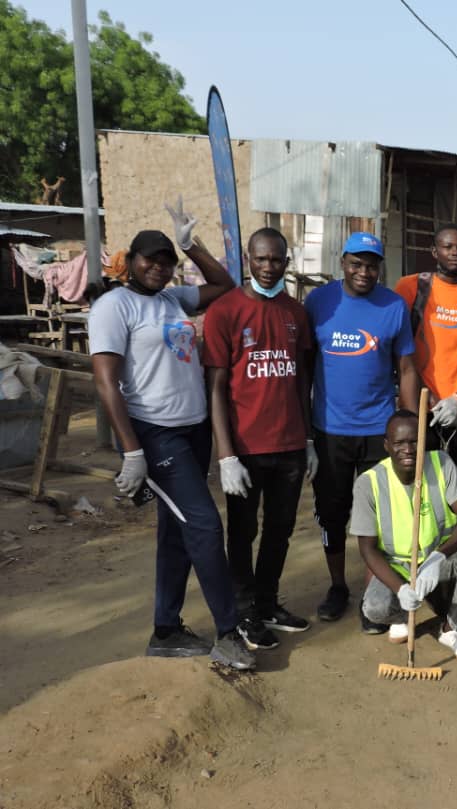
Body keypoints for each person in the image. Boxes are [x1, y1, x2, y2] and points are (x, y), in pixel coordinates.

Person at [88, 199, 253, 670]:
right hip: (155, 435)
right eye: (151, 260)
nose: (159, 268)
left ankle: (166, 629)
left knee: (178, 532)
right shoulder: (114, 306)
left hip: (193, 430)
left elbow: (223, 286)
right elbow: (106, 381)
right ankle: (228, 633)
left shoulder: (171, 300)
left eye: (166, 262)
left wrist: (191, 246)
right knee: (204, 524)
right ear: (131, 262)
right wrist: (133, 451)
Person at [202, 227, 315, 651]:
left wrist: (307, 441)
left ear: (287, 262)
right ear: (248, 260)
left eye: (276, 260)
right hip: (246, 450)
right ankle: (244, 611)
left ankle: (267, 603)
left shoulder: (295, 313)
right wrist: (226, 455)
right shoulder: (225, 311)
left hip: (289, 447)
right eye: (260, 259)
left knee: (280, 531)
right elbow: (214, 387)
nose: (268, 268)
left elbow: (302, 378)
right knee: (242, 532)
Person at [305, 232, 420, 626]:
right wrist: (305, 433)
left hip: (378, 429)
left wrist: (408, 422)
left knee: (380, 516)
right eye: (356, 263)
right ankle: (338, 586)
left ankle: (375, 594)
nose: (363, 271)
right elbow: (305, 366)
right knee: (333, 513)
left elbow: (405, 368)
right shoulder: (319, 302)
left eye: (371, 265)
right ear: (343, 263)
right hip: (330, 429)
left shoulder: (394, 306)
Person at [353, 410, 457, 663]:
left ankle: (454, 627)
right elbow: (367, 549)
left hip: (441, 559)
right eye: (399, 443)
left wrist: (438, 557)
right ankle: (403, 615)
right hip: (399, 566)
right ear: (386, 445)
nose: (408, 449)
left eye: (415, 441)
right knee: (374, 609)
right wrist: (400, 588)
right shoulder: (367, 483)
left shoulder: (441, 463)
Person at [395, 224, 457, 464]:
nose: (454, 252)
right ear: (434, 251)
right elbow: (397, 350)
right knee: (423, 482)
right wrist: (429, 399)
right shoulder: (411, 287)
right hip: (419, 407)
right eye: (447, 246)